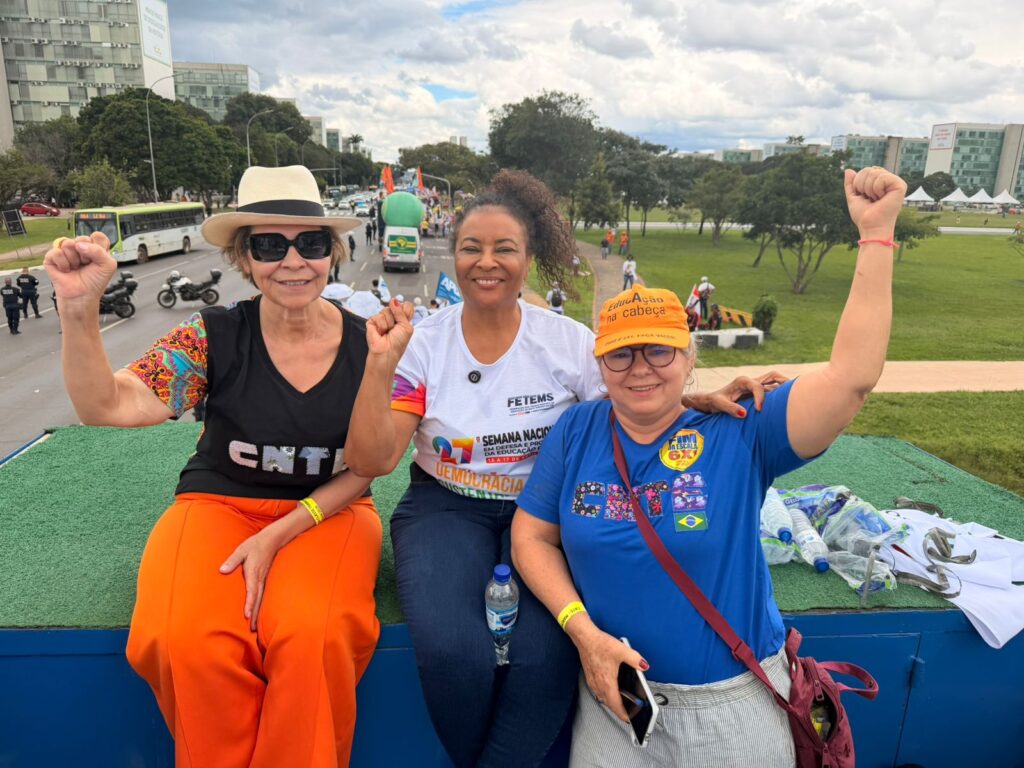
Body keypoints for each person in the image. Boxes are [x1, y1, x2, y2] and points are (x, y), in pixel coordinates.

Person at [344, 169, 777, 768]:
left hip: (547, 512)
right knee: (453, 653)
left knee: (547, 655)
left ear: (530, 259)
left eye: (504, 248)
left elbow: (634, 399)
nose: (486, 262)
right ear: (452, 251)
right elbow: (374, 460)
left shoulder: (568, 342)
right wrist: (378, 367)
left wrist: (693, 400)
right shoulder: (424, 343)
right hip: (446, 505)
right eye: (471, 247)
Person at [510, 166, 906, 767]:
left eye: (659, 349)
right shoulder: (577, 430)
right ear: (600, 363)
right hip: (617, 705)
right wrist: (583, 633)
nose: (640, 368)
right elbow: (532, 536)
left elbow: (852, 378)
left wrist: (876, 235)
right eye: (621, 355)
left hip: (734, 706)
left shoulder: (744, 428)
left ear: (688, 352)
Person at [43, 165, 381, 767]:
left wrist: (285, 529)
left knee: (314, 637)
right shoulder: (211, 336)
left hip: (331, 511)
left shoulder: (370, 346)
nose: (293, 261)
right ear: (243, 257)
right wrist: (77, 309)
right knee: (181, 639)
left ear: (333, 251)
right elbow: (106, 405)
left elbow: (375, 463)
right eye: (269, 246)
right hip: (217, 503)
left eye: (310, 243)